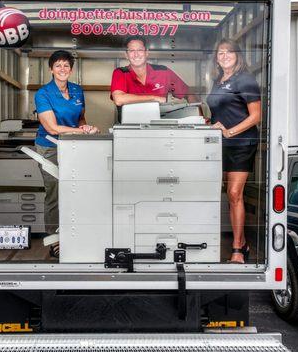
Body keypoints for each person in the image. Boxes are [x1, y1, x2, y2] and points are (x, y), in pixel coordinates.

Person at [35, 50, 98, 257]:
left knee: (77, 191)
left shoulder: (78, 91)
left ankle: (75, 233)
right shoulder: (43, 94)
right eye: (58, 65)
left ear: (71, 69)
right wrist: (81, 130)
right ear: (51, 69)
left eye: (66, 65)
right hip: (50, 147)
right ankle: (55, 239)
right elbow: (52, 128)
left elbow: (80, 119)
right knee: (54, 193)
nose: (62, 69)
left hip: (73, 146)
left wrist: (85, 127)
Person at [206, 38, 262, 264]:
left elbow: (256, 116)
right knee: (224, 195)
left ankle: (238, 249)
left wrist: (229, 132)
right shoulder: (219, 81)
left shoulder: (246, 79)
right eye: (220, 52)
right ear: (216, 58)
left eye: (229, 52)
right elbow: (219, 113)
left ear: (237, 55)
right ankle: (244, 241)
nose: (225, 55)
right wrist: (209, 124)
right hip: (221, 145)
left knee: (234, 194)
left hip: (241, 144)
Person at [110, 35, 199, 117]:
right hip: (130, 128)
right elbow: (119, 99)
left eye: (140, 50)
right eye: (132, 51)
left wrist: (199, 118)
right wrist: (154, 98)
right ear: (126, 55)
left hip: (160, 127)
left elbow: (189, 93)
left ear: (147, 53)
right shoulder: (120, 73)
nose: (136, 54)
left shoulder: (163, 72)